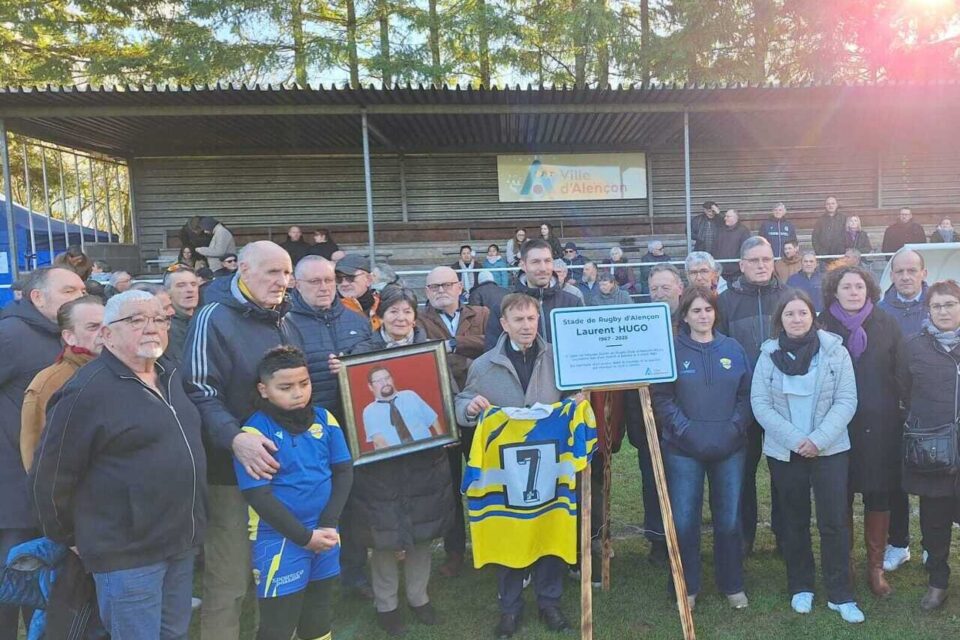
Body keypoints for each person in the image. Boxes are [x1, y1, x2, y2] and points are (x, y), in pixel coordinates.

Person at [30, 290, 205, 639]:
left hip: (180, 541)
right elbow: (49, 478)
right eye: (136, 320)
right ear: (107, 335)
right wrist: (71, 537)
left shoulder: (170, 374)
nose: (152, 328)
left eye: (159, 319)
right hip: (128, 554)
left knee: (174, 633)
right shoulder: (86, 392)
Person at [182, 241, 304, 640]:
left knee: (276, 568)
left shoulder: (285, 318)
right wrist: (236, 440)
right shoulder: (212, 317)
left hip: (281, 469)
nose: (282, 281)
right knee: (231, 576)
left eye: (287, 273)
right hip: (230, 474)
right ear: (243, 271)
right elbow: (198, 390)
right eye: (272, 272)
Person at [454, 293, 573, 638]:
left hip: (550, 466)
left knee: (549, 529)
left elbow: (573, 399)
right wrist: (470, 407)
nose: (526, 326)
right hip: (506, 472)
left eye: (532, 318)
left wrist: (576, 401)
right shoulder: (484, 365)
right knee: (510, 532)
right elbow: (462, 403)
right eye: (518, 320)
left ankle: (549, 602)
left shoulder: (557, 358)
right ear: (504, 324)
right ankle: (510, 607)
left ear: (540, 320)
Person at [336, 288, 453, 636]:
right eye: (393, 312)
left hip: (425, 460)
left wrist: (442, 437)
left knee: (421, 531)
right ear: (380, 314)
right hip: (380, 468)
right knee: (383, 534)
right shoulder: (359, 354)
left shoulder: (431, 350)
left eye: (407, 312)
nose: (401, 318)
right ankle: (385, 603)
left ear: (415, 316)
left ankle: (419, 596)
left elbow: (439, 406)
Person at [751, 289, 864, 623]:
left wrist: (817, 440)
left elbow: (847, 399)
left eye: (802, 313)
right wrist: (795, 440)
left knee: (834, 523)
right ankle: (801, 586)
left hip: (829, 450)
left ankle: (840, 594)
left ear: (813, 316)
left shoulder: (834, 351)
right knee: (793, 521)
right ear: (780, 319)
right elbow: (760, 404)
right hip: (785, 453)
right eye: (789, 314)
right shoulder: (767, 354)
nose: (796, 319)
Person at [235, 346, 353, 640]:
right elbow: (258, 497)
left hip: (325, 532)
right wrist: (304, 537)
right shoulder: (253, 434)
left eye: (304, 383)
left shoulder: (325, 419)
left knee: (318, 615)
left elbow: (344, 471)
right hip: (280, 539)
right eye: (285, 387)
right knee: (278, 626)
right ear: (264, 389)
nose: (298, 393)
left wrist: (327, 523)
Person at [652, 286, 752, 611]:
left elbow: (746, 396)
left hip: (730, 449)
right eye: (696, 310)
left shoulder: (733, 348)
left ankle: (732, 583)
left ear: (715, 313)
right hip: (683, 449)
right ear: (685, 315)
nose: (703, 316)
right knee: (683, 520)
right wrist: (686, 431)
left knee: (729, 519)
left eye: (707, 310)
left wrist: (733, 429)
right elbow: (663, 398)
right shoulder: (671, 349)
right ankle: (687, 585)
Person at [0, 266, 85, 637]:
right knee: (11, 581)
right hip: (13, 489)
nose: (79, 296)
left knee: (44, 583)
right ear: (38, 297)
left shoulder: (65, 337)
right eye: (68, 290)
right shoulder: (12, 335)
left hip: (49, 484)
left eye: (82, 288)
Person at [820, 265, 904, 598]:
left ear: (868, 290)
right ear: (834, 291)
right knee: (839, 496)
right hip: (835, 427)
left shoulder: (886, 324)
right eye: (846, 287)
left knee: (878, 494)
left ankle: (875, 568)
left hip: (880, 428)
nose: (853, 292)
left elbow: (901, 372)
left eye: (859, 286)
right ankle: (845, 565)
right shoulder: (822, 324)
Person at [419, 266, 490, 576]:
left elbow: (490, 342)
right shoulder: (419, 320)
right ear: (426, 291)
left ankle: (492, 543)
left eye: (446, 284)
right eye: (433, 287)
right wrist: (466, 345)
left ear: (460, 286)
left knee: (486, 481)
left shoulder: (483, 312)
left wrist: (451, 345)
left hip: (481, 407)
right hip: (439, 413)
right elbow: (420, 353)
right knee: (447, 485)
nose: (440, 290)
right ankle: (454, 551)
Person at [717, 236, 784, 555]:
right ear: (741, 265)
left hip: (783, 402)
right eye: (754, 260)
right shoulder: (725, 302)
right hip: (741, 401)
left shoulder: (789, 297)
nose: (761, 266)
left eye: (766, 259)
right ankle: (744, 538)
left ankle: (787, 536)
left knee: (785, 472)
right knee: (742, 473)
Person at [899, 280, 960, 611]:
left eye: (950, 304)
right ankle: (938, 581)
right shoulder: (914, 347)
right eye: (937, 306)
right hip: (933, 450)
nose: (943, 311)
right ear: (928, 310)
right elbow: (904, 390)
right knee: (934, 522)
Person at [876, 248, 927, 572]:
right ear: (891, 275)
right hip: (893, 409)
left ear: (923, 272)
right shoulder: (880, 311)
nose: (906, 277)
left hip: (934, 408)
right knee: (895, 477)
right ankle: (899, 543)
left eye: (912, 270)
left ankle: (932, 545)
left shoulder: (940, 305)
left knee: (934, 474)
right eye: (900, 271)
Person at [19, 295, 103, 473]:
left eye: (108, 325)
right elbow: (36, 459)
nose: (104, 333)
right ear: (69, 337)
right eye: (93, 327)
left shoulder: (130, 369)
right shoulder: (49, 384)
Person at [288, 256, 371, 420]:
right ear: (297, 284)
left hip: (359, 421)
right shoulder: (284, 325)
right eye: (315, 281)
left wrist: (353, 363)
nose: (324, 287)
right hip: (310, 424)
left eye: (329, 280)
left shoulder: (359, 321)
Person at [484, 239, 583, 349]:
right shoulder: (502, 306)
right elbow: (493, 353)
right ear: (523, 265)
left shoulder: (573, 303)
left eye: (547, 261)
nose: (543, 268)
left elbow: (582, 347)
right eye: (535, 262)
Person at [162, 265, 201, 367]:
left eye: (193, 284)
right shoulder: (164, 328)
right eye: (181, 285)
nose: (190, 289)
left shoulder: (207, 319)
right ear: (167, 292)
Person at [336, 254, 381, 331]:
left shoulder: (385, 306)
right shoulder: (329, 310)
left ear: (369, 279)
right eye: (338, 278)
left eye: (350, 278)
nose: (344, 283)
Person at [714, 209, 753, 284]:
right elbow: (715, 247)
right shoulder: (720, 230)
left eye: (728, 216)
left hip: (736, 272)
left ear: (735, 218)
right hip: (721, 270)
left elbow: (747, 249)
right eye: (725, 216)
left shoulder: (743, 231)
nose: (725, 218)